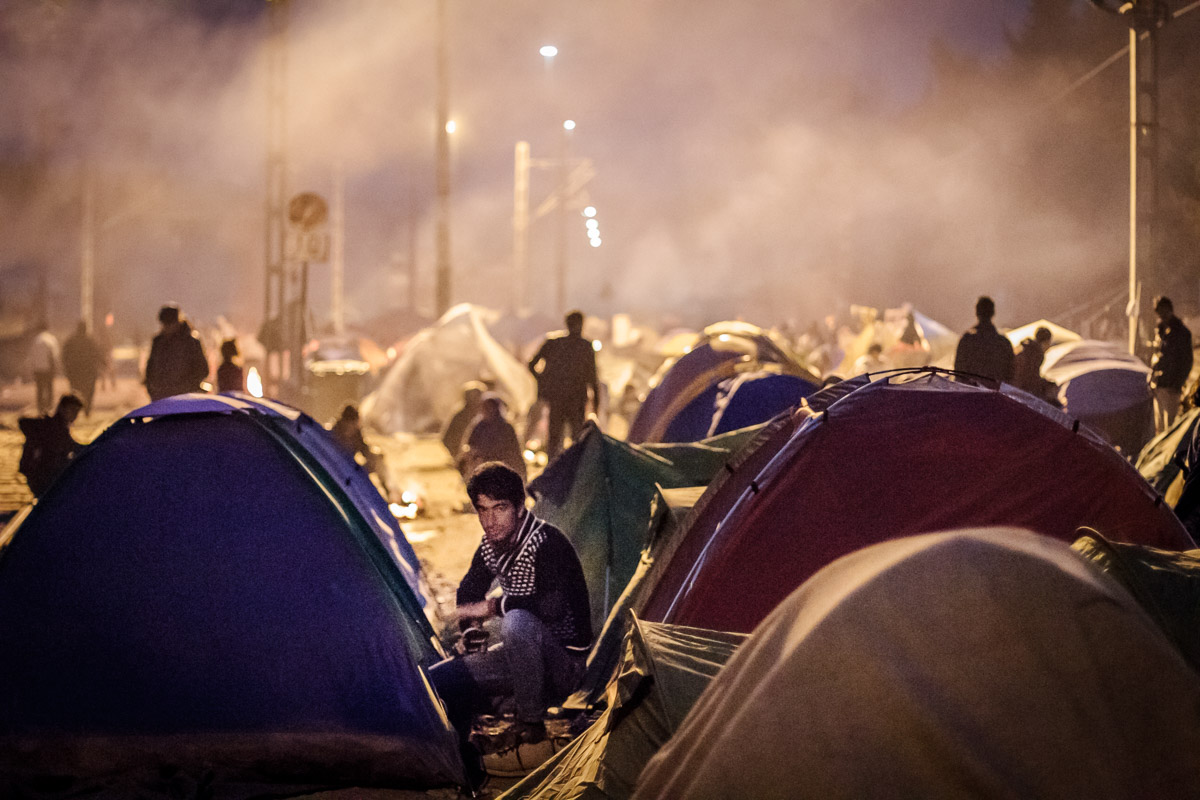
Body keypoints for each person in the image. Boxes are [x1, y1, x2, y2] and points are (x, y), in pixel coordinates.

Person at [432, 463, 592, 753]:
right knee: (441, 680)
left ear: (519, 508)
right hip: (521, 660)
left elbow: (551, 608)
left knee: (516, 621)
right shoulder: (491, 545)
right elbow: (469, 591)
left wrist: (492, 607)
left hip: (564, 666)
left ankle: (530, 723)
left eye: (500, 508)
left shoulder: (547, 542)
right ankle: (463, 757)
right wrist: (470, 631)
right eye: (483, 510)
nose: (490, 520)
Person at [528, 310, 599, 459]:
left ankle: (554, 466)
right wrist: (596, 404)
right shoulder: (585, 346)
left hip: (559, 397)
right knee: (575, 439)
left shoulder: (554, 343)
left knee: (556, 438)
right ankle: (571, 467)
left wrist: (544, 382)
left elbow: (532, 365)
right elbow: (592, 377)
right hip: (575, 399)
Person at [18, 393, 83, 498]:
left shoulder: (56, 426)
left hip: (39, 476)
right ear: (62, 408)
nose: (75, 415)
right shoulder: (54, 427)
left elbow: (71, 446)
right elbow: (72, 447)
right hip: (44, 477)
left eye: (77, 411)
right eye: (72, 410)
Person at [143, 304, 209, 401]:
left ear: (178, 322)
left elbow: (202, 369)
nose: (167, 327)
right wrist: (152, 389)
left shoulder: (191, 342)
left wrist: (187, 387)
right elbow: (150, 369)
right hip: (161, 398)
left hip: (185, 398)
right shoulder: (158, 342)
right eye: (165, 323)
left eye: (170, 323)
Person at [1150, 296, 1193, 433]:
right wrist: (1152, 377)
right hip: (1159, 384)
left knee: (1170, 428)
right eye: (1159, 312)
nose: (1161, 315)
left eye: (1163, 311)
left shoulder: (1181, 332)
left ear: (1169, 309)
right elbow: (1157, 356)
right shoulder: (1160, 331)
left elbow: (1187, 361)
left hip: (1172, 386)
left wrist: (1177, 383)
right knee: (1160, 428)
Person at [460, 394, 526, 480]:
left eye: (490, 407)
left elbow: (513, 451)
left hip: (502, 465)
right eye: (485, 407)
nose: (488, 410)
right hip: (481, 464)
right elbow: (470, 445)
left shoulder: (506, 427)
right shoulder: (479, 426)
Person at [329, 404, 390, 495]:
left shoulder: (357, 436)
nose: (352, 427)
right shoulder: (333, 433)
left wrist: (372, 463)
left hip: (348, 470)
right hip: (332, 467)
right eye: (351, 423)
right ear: (345, 421)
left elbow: (368, 455)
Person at [953, 296, 1014, 383]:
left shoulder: (967, 341)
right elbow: (1010, 375)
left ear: (977, 312)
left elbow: (959, 373)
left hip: (972, 390)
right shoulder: (1003, 343)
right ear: (993, 313)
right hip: (995, 391)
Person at [61, 320, 106, 416]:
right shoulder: (90, 341)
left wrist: (66, 369)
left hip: (74, 371)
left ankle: (75, 410)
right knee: (89, 391)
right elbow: (98, 354)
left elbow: (64, 355)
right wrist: (104, 364)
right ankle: (87, 409)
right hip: (89, 371)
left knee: (75, 391)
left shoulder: (71, 341)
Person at [1012, 326, 1057, 405]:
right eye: (1049, 343)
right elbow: (1031, 377)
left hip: (1016, 386)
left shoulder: (1028, 348)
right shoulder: (1037, 353)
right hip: (1022, 390)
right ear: (1045, 342)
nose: (1049, 347)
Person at [442, 381, 486, 459]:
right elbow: (448, 438)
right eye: (472, 397)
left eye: (477, 396)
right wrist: (458, 454)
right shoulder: (460, 415)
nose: (474, 400)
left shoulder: (487, 413)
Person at [27, 321, 60, 416]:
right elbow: (55, 355)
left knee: (40, 389)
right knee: (49, 388)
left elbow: (32, 356)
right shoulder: (51, 339)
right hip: (48, 369)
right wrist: (56, 368)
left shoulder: (35, 340)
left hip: (38, 369)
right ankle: (49, 407)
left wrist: (32, 367)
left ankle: (40, 408)